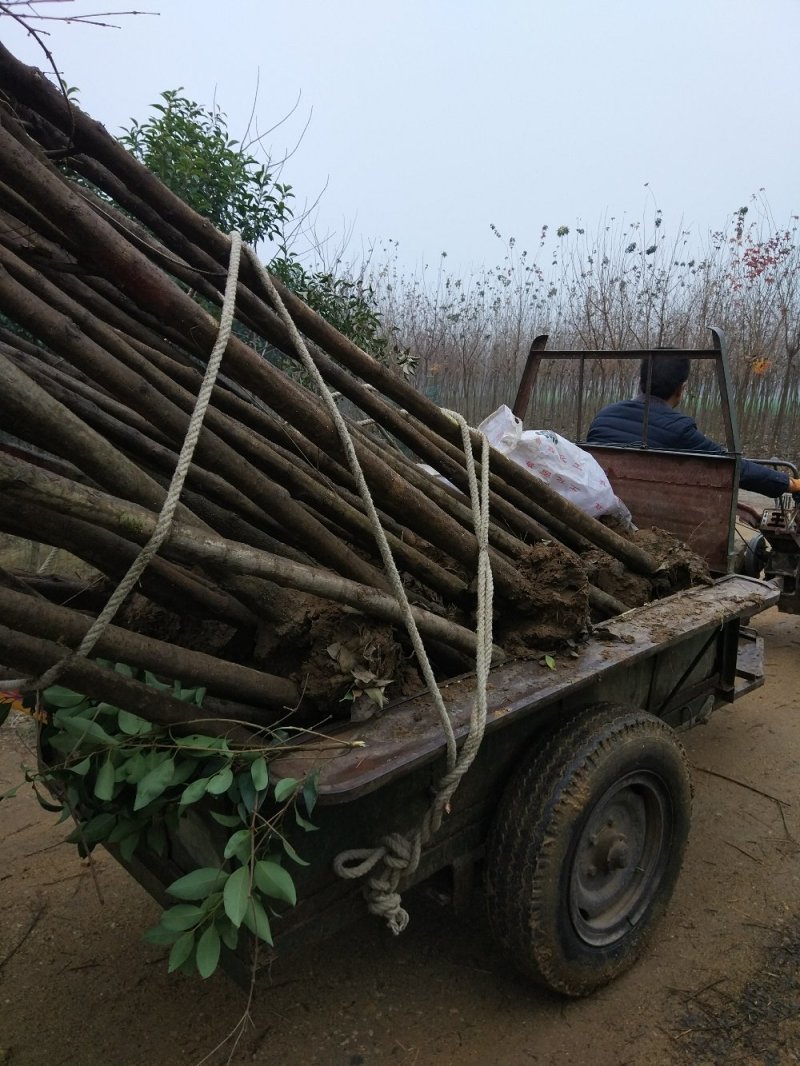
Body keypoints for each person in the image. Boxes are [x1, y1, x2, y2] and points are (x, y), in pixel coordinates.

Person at [587, 352, 800, 498]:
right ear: (681, 389)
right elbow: (732, 468)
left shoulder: (602, 418)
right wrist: (787, 483)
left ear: (641, 383)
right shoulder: (679, 429)